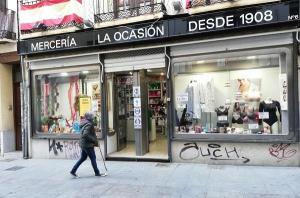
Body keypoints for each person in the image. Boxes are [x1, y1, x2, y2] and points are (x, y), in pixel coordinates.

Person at [70, 112, 104, 177]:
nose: (93, 118)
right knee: (93, 158)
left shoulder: (85, 123)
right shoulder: (89, 124)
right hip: (87, 145)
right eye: (92, 116)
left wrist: (93, 135)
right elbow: (85, 134)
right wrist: (93, 139)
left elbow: (85, 133)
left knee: (83, 158)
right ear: (89, 117)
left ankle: (73, 171)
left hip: (84, 144)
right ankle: (97, 172)